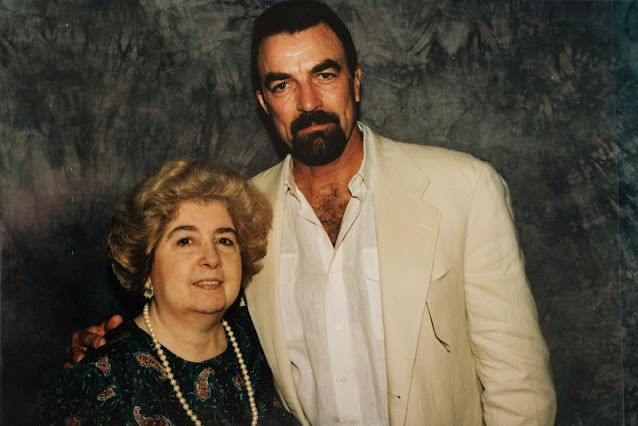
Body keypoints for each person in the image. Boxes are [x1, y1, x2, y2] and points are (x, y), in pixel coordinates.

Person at [68, 1, 557, 424]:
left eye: (324, 75)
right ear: (264, 103)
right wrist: (115, 349)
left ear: (356, 81)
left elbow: (520, 388)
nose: (308, 102)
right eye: (283, 84)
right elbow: (197, 323)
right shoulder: (238, 215)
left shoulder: (464, 189)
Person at [43, 160, 298, 425]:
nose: (212, 258)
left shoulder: (262, 339)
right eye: (185, 241)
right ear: (145, 267)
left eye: (224, 240)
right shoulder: (96, 383)